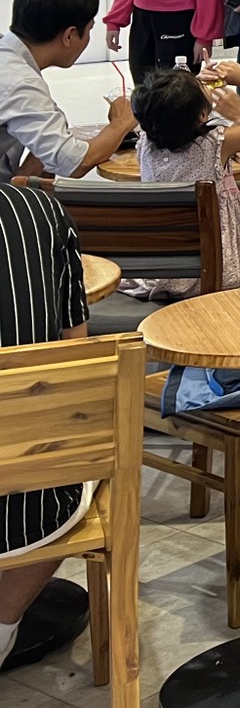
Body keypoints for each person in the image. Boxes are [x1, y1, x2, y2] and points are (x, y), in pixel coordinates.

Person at [0, 183, 97, 675]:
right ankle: (2, 624)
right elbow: (73, 354)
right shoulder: (36, 211)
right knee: (91, 453)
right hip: (30, 505)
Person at [131, 61, 240, 290]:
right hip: (215, 268)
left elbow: (164, 108)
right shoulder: (217, 143)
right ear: (202, 115)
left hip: (165, 266)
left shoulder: (145, 144)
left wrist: (183, 90)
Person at [0, 0, 134, 180]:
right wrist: (122, 123)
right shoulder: (21, 82)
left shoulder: (8, 57)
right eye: (89, 31)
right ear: (69, 35)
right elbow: (75, 163)